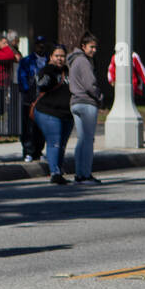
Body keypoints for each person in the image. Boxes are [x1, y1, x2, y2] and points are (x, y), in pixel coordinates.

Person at [30, 45, 74, 185]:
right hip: (48, 111)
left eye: (62, 56)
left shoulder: (68, 71)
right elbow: (41, 84)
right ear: (51, 57)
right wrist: (47, 76)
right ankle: (54, 173)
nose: (60, 59)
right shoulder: (47, 70)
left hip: (66, 113)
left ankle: (58, 170)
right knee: (54, 141)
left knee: (62, 144)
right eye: (57, 56)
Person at [68, 33, 102, 184]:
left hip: (75, 101)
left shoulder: (73, 60)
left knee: (81, 139)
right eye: (91, 47)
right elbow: (90, 84)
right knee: (88, 140)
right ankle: (86, 174)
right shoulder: (84, 61)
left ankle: (79, 174)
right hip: (87, 102)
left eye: (95, 47)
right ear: (83, 46)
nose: (94, 50)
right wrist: (99, 97)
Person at [17, 37, 49, 162]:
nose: (41, 48)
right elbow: (22, 77)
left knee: (41, 126)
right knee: (28, 126)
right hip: (30, 98)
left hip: (43, 98)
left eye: (43, 45)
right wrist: (27, 91)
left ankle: (38, 150)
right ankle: (28, 151)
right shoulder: (27, 61)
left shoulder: (48, 60)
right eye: (38, 45)